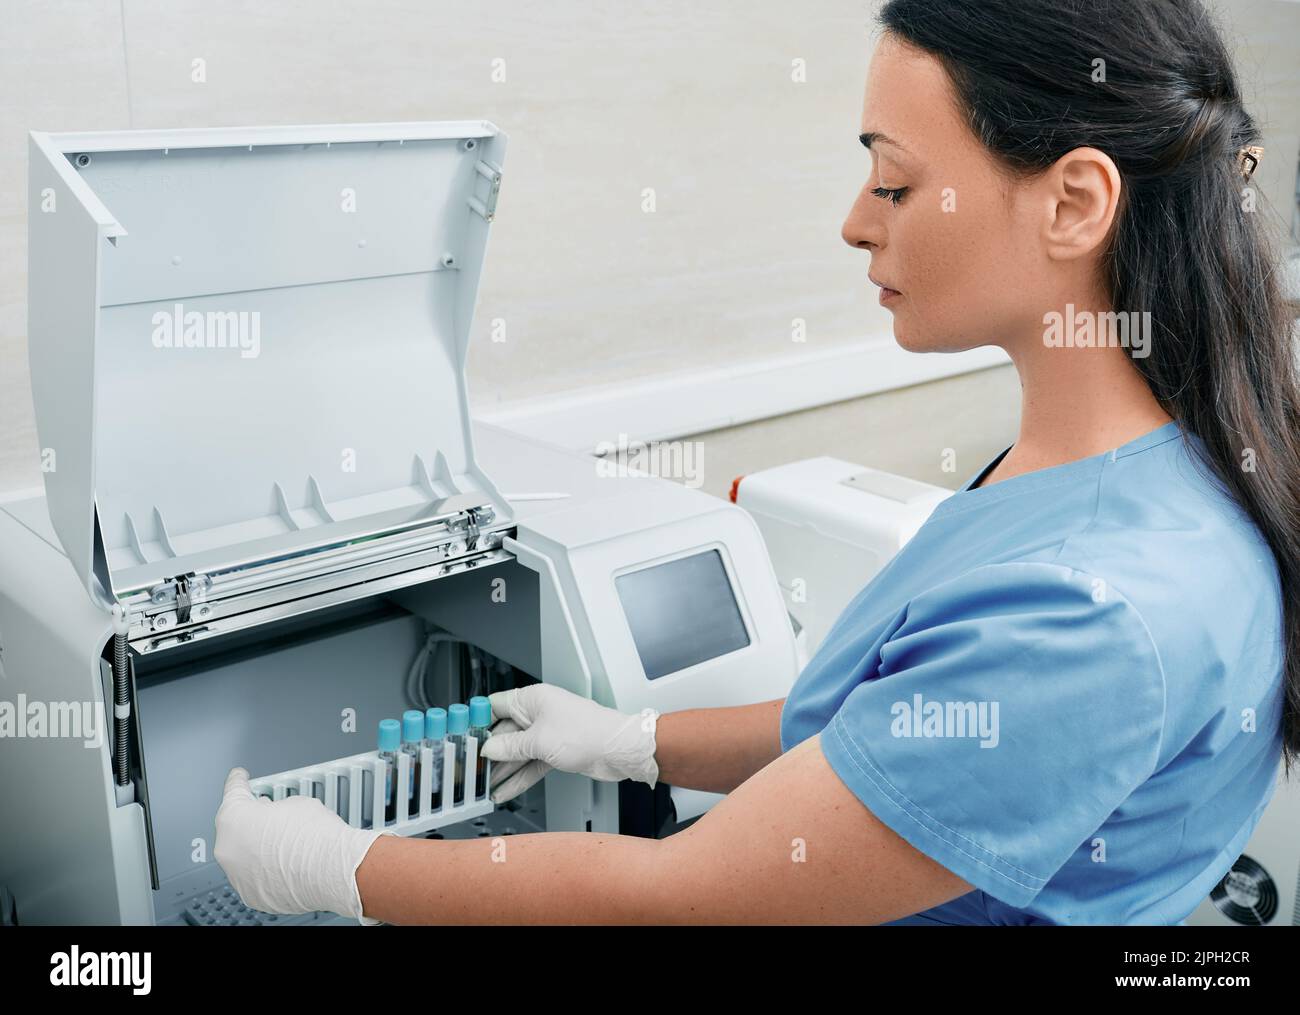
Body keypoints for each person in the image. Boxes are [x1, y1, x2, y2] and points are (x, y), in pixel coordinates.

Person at [214, 0, 1297, 925]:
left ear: (1071, 203)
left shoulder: (1084, 614)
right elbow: (887, 732)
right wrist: (633, 741)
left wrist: (341, 870)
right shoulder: (1155, 469)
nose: (853, 225)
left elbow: (675, 898)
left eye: (895, 184)